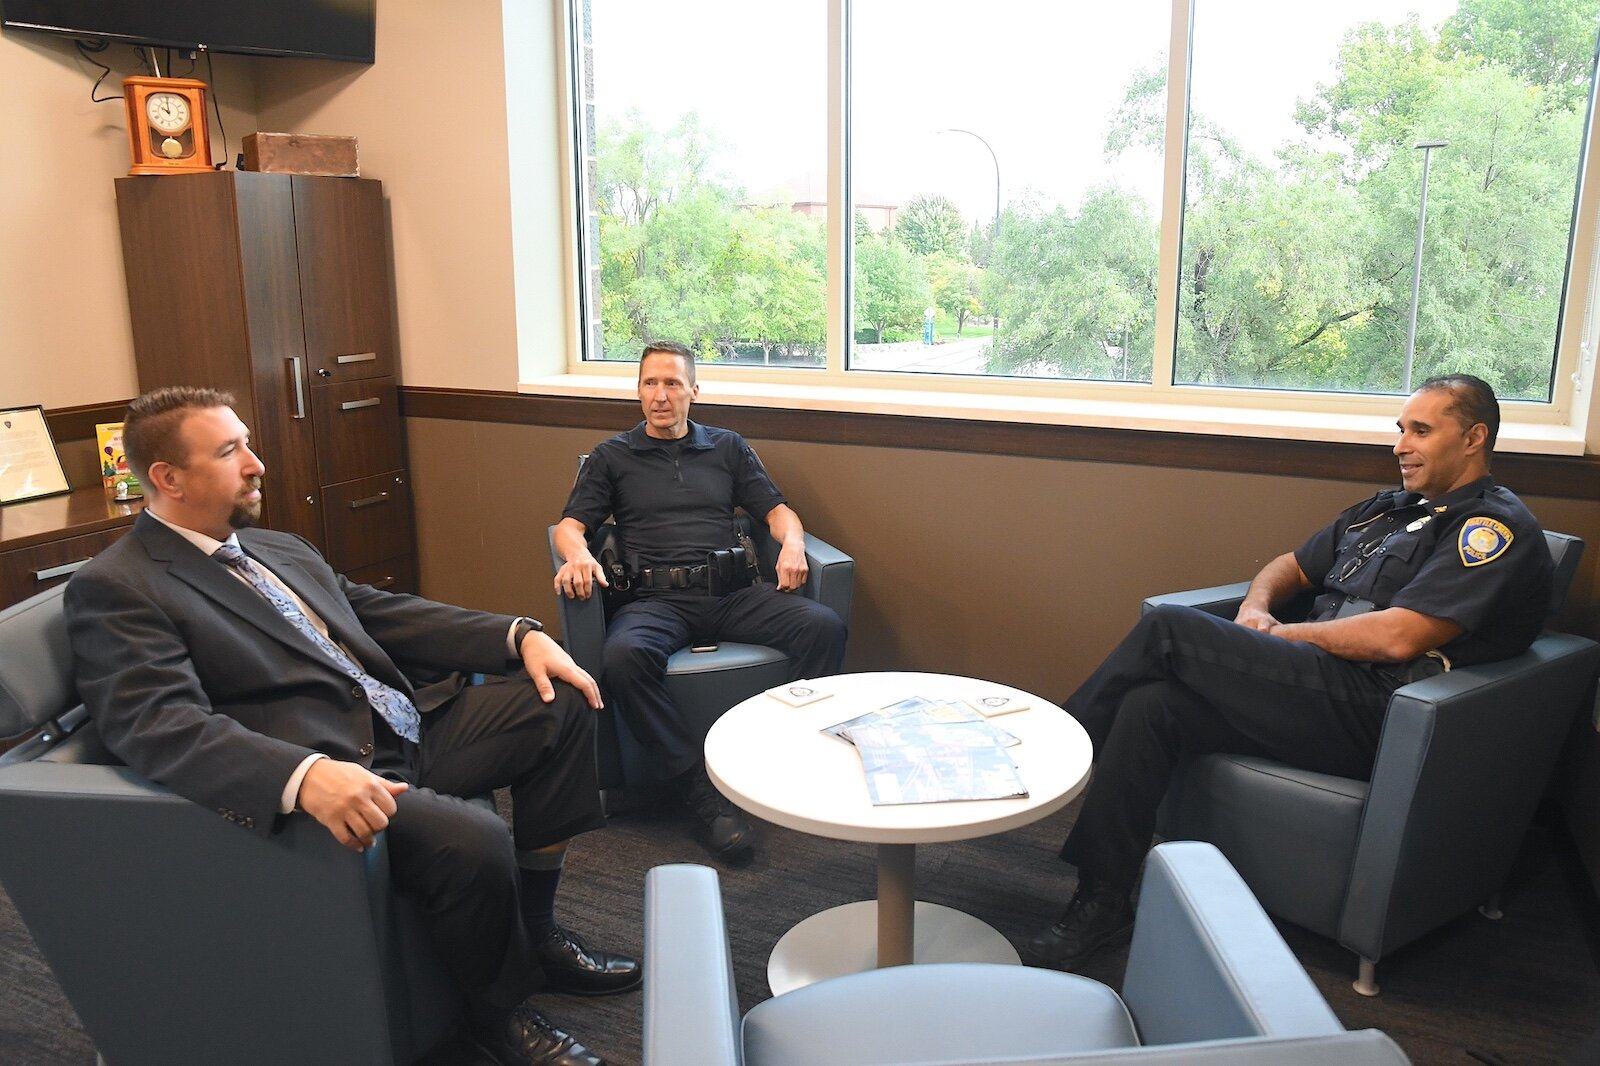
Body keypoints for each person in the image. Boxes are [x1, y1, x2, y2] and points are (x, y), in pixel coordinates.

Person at [65, 387, 635, 1066]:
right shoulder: (119, 586)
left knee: (563, 699)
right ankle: (496, 1015)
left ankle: (537, 934)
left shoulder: (274, 545)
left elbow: (378, 612)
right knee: (474, 836)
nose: (256, 463)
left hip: (403, 726)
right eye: (229, 451)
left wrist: (518, 636)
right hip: (337, 773)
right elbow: (157, 722)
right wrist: (299, 777)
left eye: (247, 442)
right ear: (168, 478)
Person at [1025, 374, 1554, 972]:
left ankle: (1038, 765)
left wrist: (1283, 635)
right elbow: (1292, 567)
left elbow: (1399, 635)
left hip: (1383, 710)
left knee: (1170, 628)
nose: (1402, 446)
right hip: (1313, 685)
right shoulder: (1386, 511)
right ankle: (1103, 902)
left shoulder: (1491, 530)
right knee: (1153, 705)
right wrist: (1256, 609)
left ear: (1474, 438)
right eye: (1401, 430)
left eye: (1422, 431)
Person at [552, 341, 847, 858]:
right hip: (654, 601)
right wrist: (577, 554)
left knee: (823, 626)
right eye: (649, 384)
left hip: (732, 593)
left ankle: (782, 758)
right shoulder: (611, 457)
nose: (660, 396)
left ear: (694, 390)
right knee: (621, 658)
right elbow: (570, 527)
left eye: (671, 383)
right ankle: (699, 791)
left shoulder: (727, 447)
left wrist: (793, 544)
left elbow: (777, 511)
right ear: (638, 391)